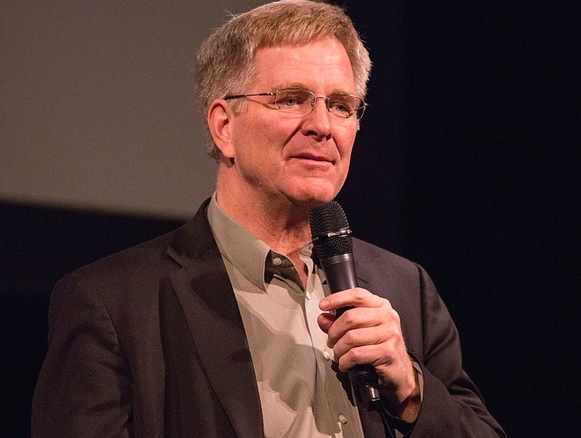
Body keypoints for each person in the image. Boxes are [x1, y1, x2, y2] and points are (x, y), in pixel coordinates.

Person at [31, 1, 506, 437]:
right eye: (291, 99)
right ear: (224, 127)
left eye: (341, 105)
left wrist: (411, 388)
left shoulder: (406, 290)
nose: (322, 125)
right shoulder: (113, 304)